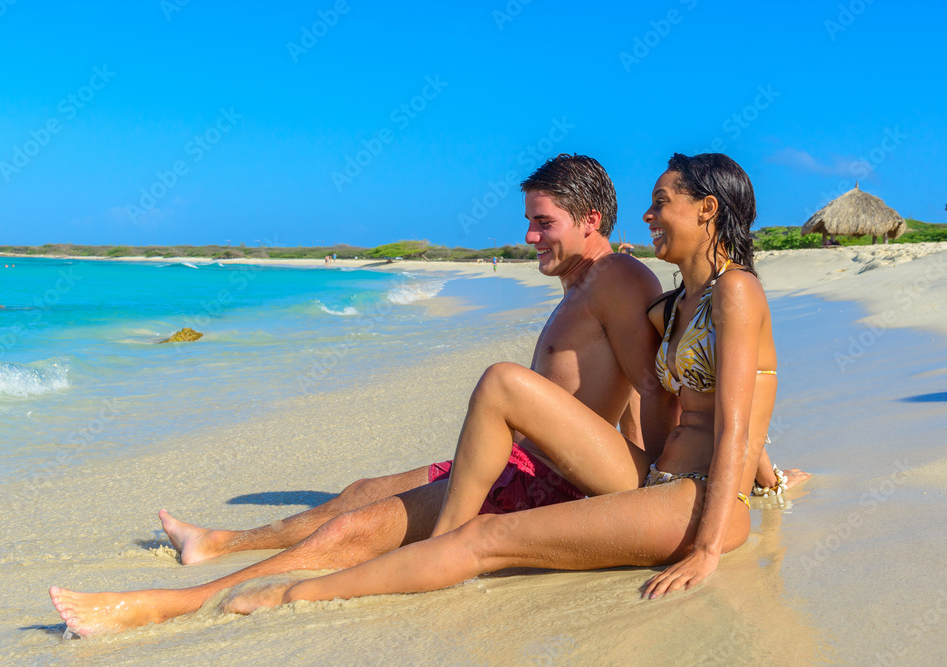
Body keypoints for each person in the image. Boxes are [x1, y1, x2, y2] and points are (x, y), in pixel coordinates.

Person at [48, 154, 802, 635]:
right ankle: (212, 556)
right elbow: (691, 399)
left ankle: (186, 601)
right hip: (629, 476)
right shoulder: (676, 301)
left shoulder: (695, 289)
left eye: (662, 201)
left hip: (647, 489)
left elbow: (714, 409)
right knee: (364, 498)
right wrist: (770, 474)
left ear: (706, 208)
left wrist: (709, 533)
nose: (650, 213)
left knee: (393, 524)